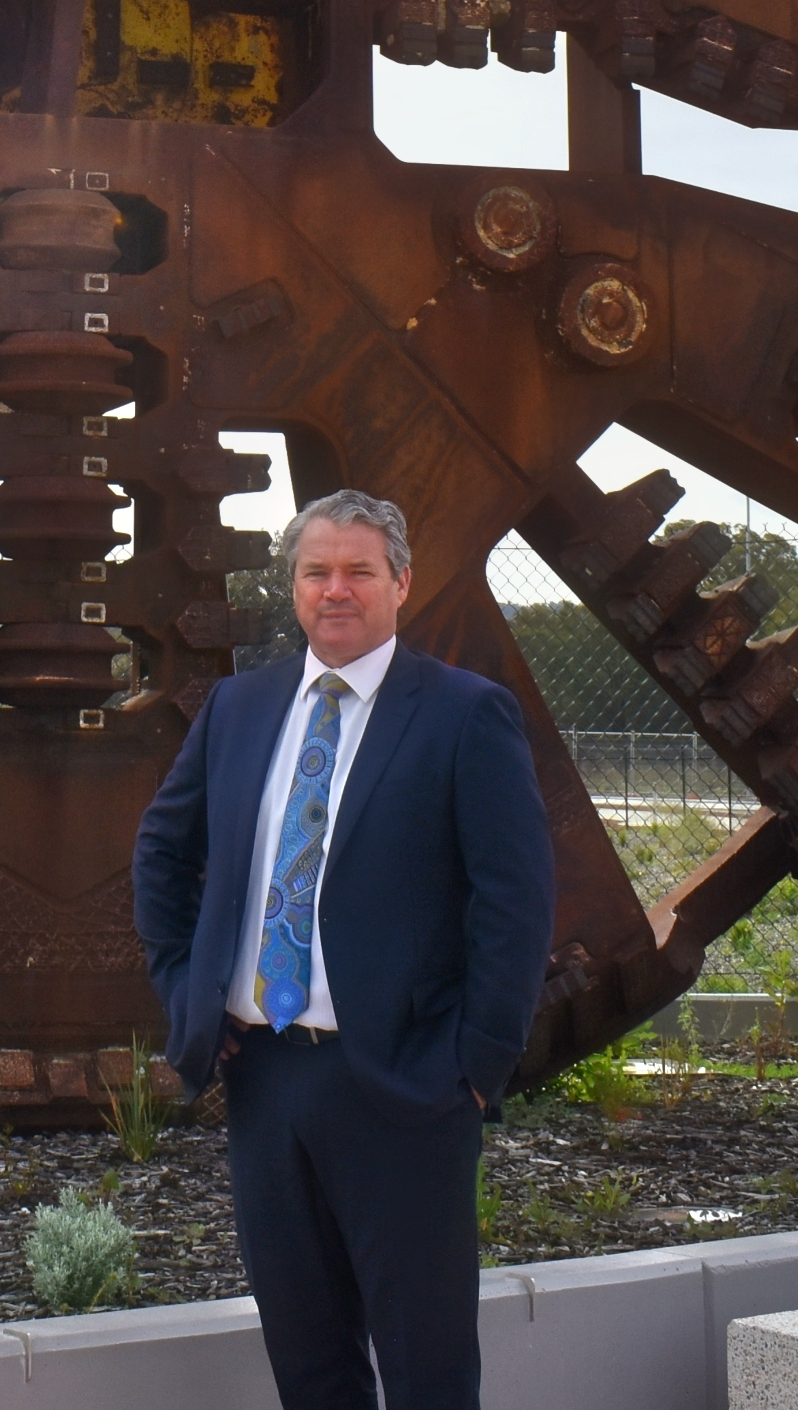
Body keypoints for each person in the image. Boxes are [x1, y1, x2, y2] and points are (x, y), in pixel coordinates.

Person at [130, 488, 555, 1410]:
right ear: (292, 586)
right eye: (316, 570)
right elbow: (162, 853)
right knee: (310, 1364)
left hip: (405, 1087)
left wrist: (475, 1066)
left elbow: (514, 904)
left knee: (427, 1370)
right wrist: (191, 999)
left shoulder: (464, 715)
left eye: (359, 570)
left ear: (401, 582)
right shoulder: (240, 708)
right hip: (265, 1083)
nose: (336, 589)